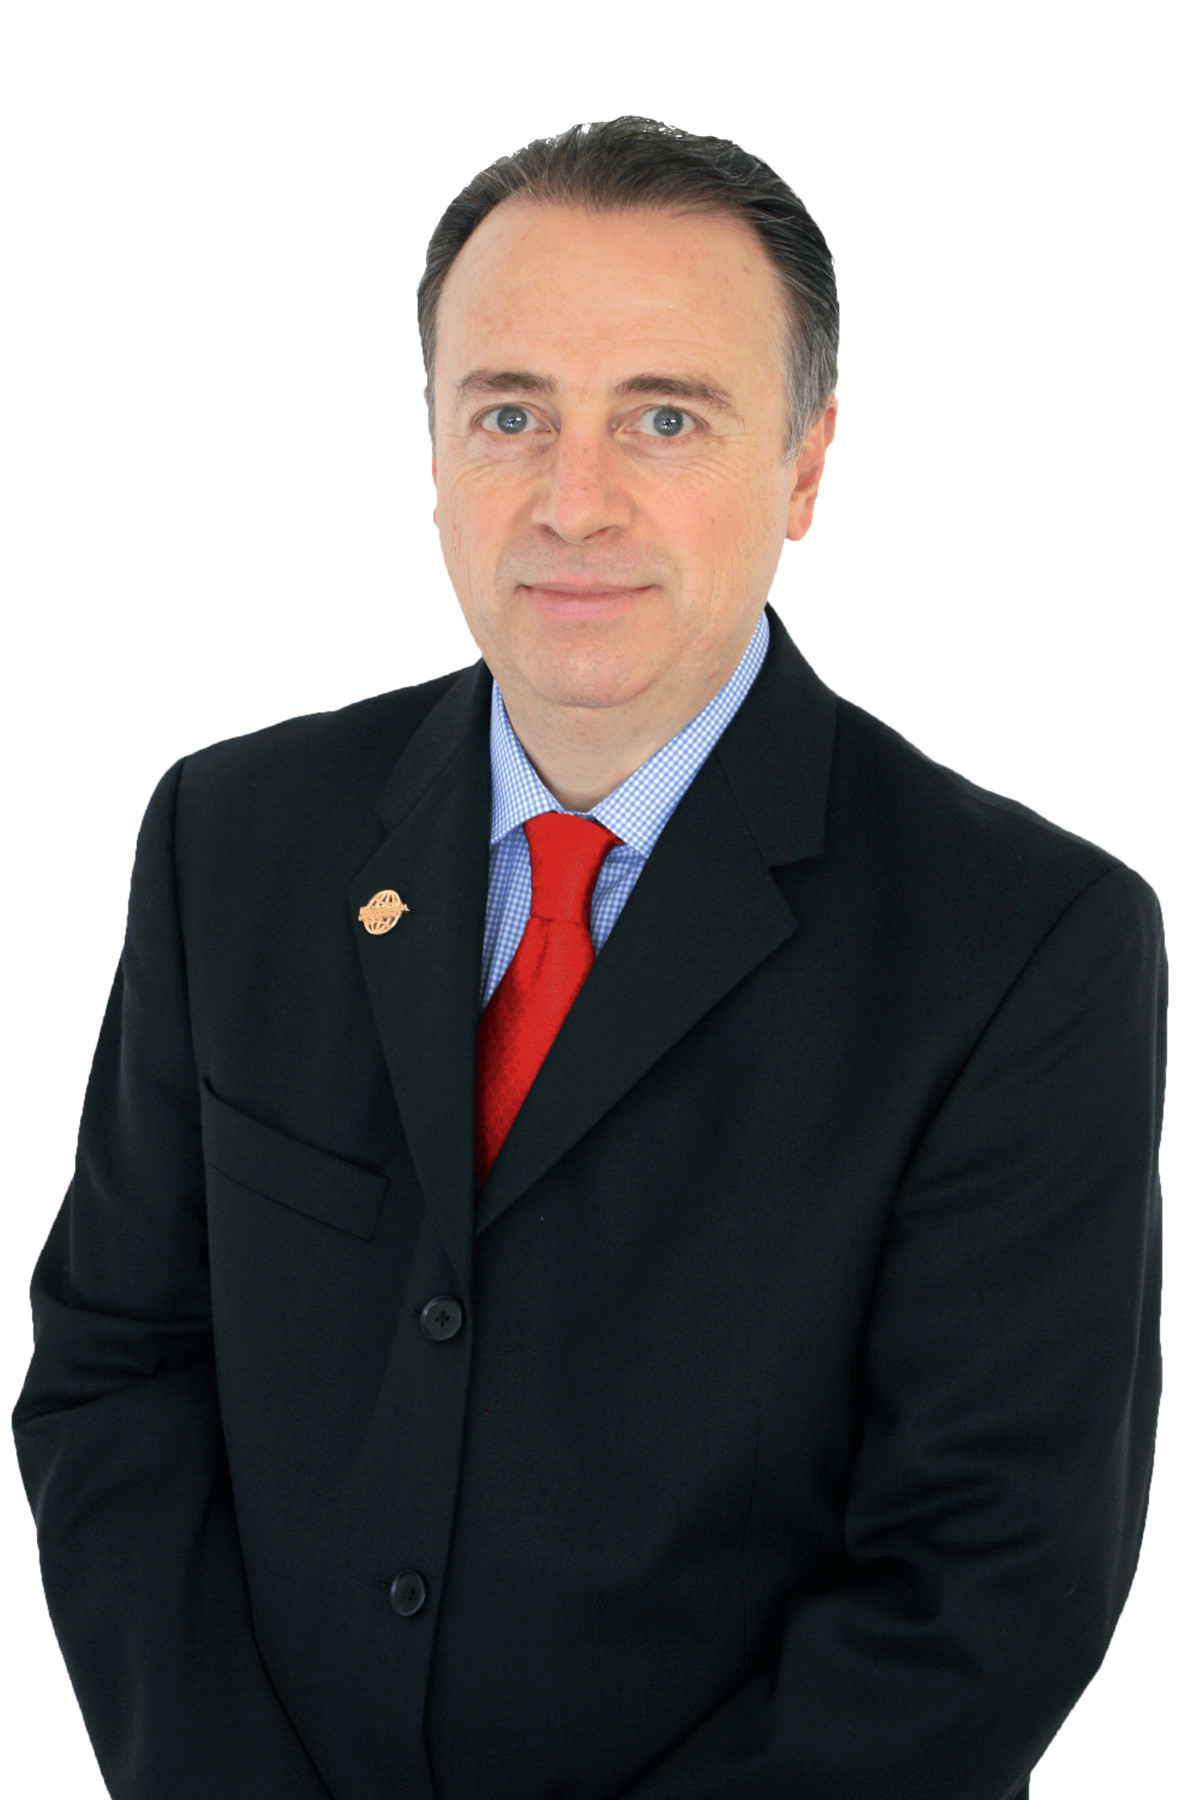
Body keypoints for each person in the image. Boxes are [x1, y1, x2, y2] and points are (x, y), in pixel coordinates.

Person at [12, 115, 1166, 1800]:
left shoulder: (1026, 941)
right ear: (432, 444)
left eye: (664, 418)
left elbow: (986, 1582)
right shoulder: (233, 836)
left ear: (806, 465)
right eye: (511, 414)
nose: (573, 503)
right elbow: (115, 1372)